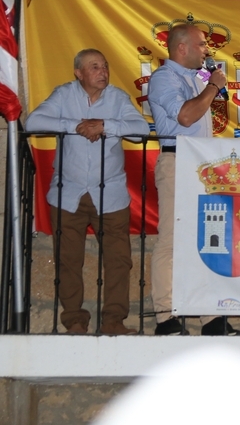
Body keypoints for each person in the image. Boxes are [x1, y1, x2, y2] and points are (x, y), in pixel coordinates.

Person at [26, 49, 149, 335]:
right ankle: (75, 322)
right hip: (67, 193)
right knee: (68, 260)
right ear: (78, 73)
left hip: (111, 194)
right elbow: (33, 122)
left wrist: (105, 126)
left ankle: (114, 322)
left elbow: (141, 129)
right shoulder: (64, 95)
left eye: (104, 66)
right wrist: (76, 126)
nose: (102, 72)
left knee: (119, 260)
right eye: (94, 67)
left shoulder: (118, 98)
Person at [147, 23, 240, 336]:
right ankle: (166, 316)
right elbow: (185, 117)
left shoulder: (193, 78)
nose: (207, 50)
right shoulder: (165, 78)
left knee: (207, 240)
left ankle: (210, 317)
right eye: (202, 45)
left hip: (201, 165)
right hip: (177, 161)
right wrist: (213, 87)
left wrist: (211, 85)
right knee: (172, 241)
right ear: (182, 47)